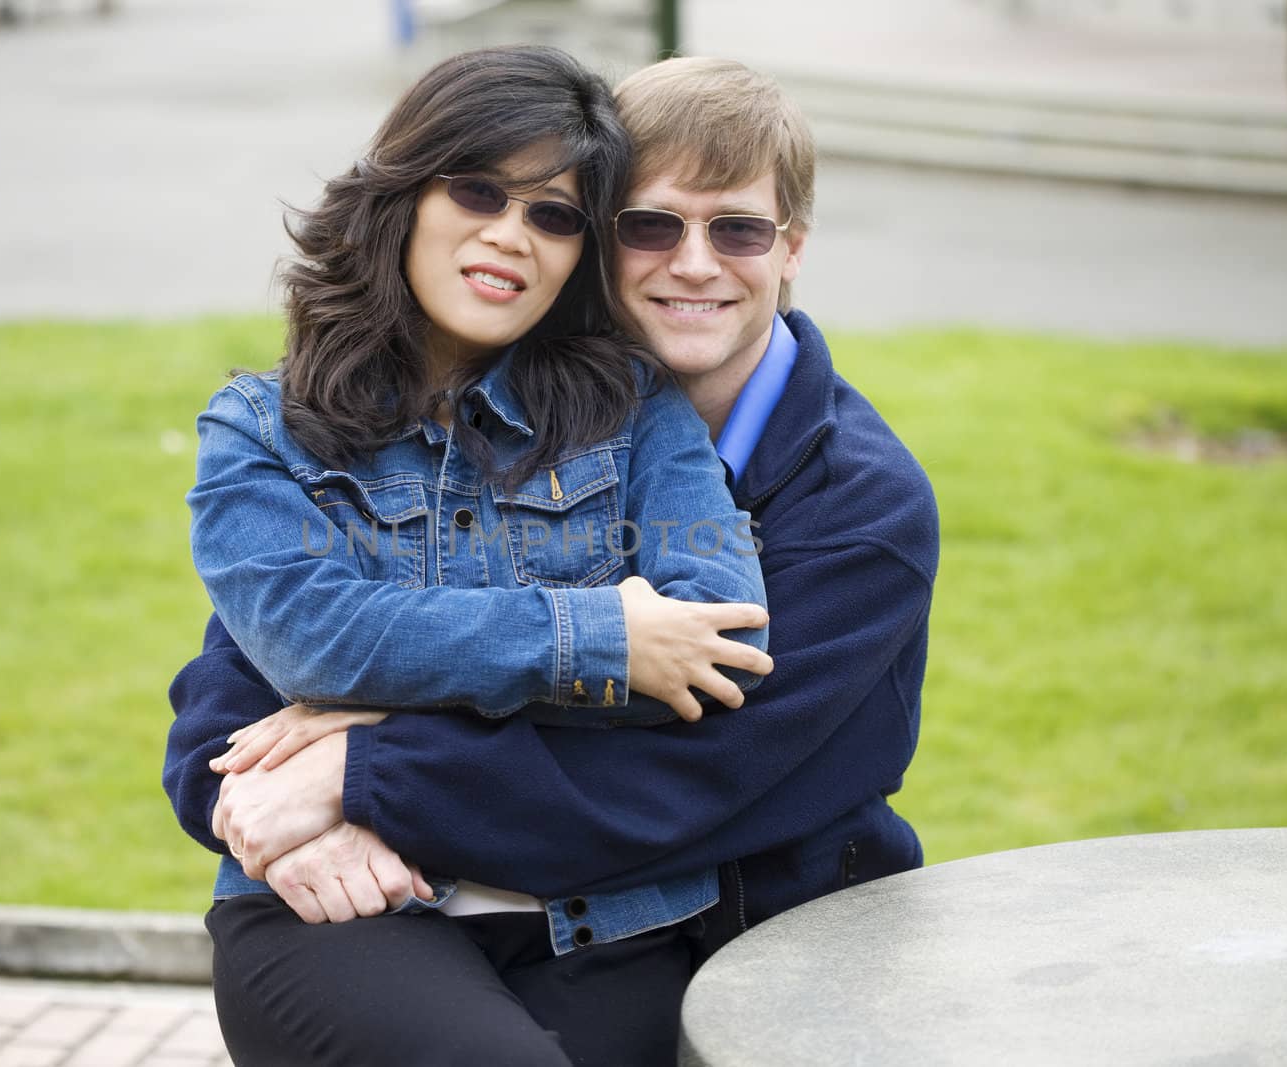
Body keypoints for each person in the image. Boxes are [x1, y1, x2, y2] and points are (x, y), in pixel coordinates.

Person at [168, 55, 939, 1064]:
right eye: (649, 224)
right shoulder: (294, 424)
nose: (695, 263)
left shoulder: (852, 505)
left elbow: (685, 762)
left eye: (737, 228)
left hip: (712, 920)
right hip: (384, 897)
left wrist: (362, 752)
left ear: (789, 249)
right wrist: (252, 793)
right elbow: (278, 657)